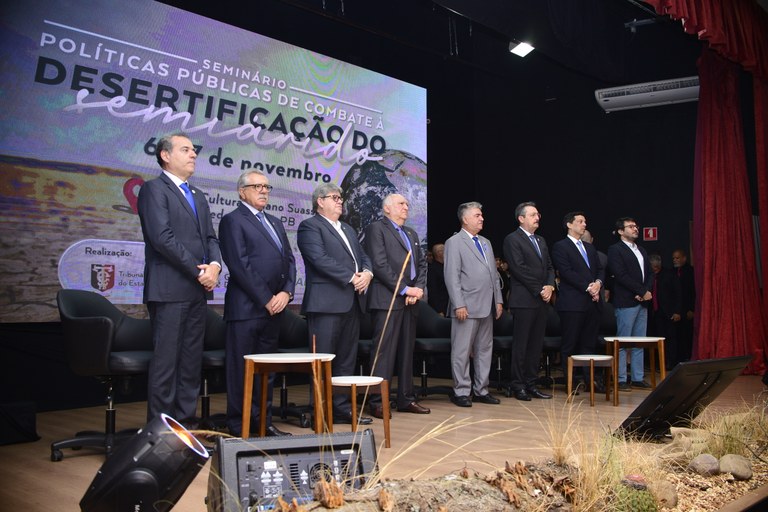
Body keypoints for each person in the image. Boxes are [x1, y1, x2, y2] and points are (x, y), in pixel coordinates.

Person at [137, 132, 222, 424]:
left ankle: (187, 432)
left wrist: (215, 265)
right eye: (186, 149)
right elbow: (162, 238)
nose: (193, 154)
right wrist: (200, 270)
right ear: (165, 155)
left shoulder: (197, 195)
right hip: (169, 290)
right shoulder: (153, 190)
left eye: (194, 150)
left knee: (190, 365)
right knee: (166, 367)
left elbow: (210, 237)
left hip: (196, 292)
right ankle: (161, 436)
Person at [219, 170, 296, 437]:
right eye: (257, 186)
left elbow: (289, 261)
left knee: (267, 372)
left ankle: (264, 423)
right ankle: (239, 426)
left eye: (266, 186)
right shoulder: (232, 221)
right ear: (242, 192)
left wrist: (286, 292)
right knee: (242, 371)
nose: (264, 191)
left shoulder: (275, 222)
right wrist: (266, 298)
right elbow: (240, 265)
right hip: (246, 310)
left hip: (274, 310)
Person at [297, 183, 374, 425]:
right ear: (320, 201)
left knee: (346, 360)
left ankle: (341, 409)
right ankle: (320, 411)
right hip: (325, 305)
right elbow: (319, 259)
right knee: (322, 361)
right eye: (334, 197)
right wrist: (352, 277)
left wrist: (368, 273)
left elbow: (363, 257)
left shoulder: (348, 229)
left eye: (341, 198)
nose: (340, 201)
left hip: (352, 303)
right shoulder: (310, 226)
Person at [363, 194, 430, 418]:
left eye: (407, 204)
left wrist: (417, 289)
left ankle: (406, 398)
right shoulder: (377, 228)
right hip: (387, 299)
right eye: (401, 204)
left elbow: (421, 263)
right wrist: (404, 289)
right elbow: (379, 265)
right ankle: (377, 400)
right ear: (387, 209)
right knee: (384, 352)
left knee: (406, 351)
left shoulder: (410, 232)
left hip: (411, 300)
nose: (406, 207)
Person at [444, 201, 503, 407]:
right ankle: (461, 391)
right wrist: (459, 304)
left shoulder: (486, 242)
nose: (482, 218)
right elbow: (452, 276)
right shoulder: (454, 242)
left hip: (487, 305)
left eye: (481, 215)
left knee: (484, 350)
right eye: (477, 215)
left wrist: (499, 299)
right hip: (466, 307)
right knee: (461, 350)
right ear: (465, 219)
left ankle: (481, 390)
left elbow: (494, 275)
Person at [504, 201, 556, 401]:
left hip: (541, 299)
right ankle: (517, 385)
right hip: (524, 299)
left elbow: (550, 267)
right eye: (533, 214)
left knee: (536, 345)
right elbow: (518, 268)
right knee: (521, 345)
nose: (538, 217)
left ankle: (531, 383)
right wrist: (539, 289)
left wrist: (550, 286)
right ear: (521, 218)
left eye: (538, 214)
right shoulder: (512, 239)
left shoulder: (541, 240)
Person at [550, 212, 604, 391]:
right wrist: (588, 287)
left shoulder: (589, 248)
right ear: (569, 224)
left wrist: (598, 284)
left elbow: (600, 269)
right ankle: (570, 383)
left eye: (585, 221)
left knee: (589, 344)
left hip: (592, 304)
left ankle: (590, 382)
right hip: (572, 304)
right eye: (580, 221)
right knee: (570, 345)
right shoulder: (561, 247)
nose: (584, 224)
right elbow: (566, 272)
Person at [607, 217, 653, 391]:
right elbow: (620, 275)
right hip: (626, 301)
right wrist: (641, 292)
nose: (635, 229)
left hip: (642, 301)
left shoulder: (641, 249)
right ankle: (620, 378)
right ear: (620, 231)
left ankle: (637, 377)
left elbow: (650, 273)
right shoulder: (615, 250)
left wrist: (646, 291)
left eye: (636, 226)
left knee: (639, 341)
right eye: (631, 226)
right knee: (623, 341)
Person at [648, 254, 681, 369]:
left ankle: (671, 363)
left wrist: (677, 311)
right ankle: (661, 363)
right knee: (658, 338)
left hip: (669, 312)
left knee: (671, 338)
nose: (654, 268)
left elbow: (678, 293)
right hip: (655, 313)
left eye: (656, 266)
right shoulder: (649, 276)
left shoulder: (669, 275)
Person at [672, 248, 695, 362]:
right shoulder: (672, 272)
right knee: (677, 336)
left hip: (687, 309)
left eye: (677, 258)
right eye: (674, 258)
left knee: (688, 335)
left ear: (684, 258)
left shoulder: (691, 272)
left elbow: (693, 291)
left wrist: (692, 309)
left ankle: (689, 357)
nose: (675, 260)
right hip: (675, 310)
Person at [427, 243, 449, 316]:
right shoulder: (432, 269)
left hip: (449, 306)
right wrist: (439, 310)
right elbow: (433, 290)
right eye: (445, 250)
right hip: (441, 309)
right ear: (439, 253)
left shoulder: (447, 266)